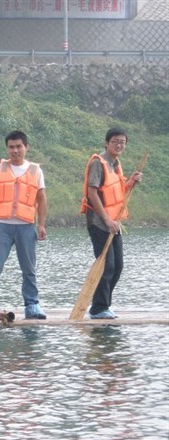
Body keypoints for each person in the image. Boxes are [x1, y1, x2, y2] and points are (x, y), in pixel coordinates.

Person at [0, 130, 48, 320]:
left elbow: (42, 200)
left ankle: (32, 305)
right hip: (1, 226)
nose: (15, 150)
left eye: (19, 146)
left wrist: (41, 225)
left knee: (29, 269)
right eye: (11, 147)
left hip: (26, 227)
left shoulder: (36, 171)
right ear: (7, 148)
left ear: (26, 147)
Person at [80, 127, 142, 319]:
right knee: (107, 266)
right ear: (107, 143)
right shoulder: (99, 163)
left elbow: (118, 192)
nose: (119, 145)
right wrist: (106, 219)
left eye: (122, 142)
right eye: (115, 141)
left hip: (114, 223)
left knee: (118, 266)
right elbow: (92, 193)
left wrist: (131, 182)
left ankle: (102, 305)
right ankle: (99, 308)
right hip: (100, 222)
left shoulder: (115, 164)